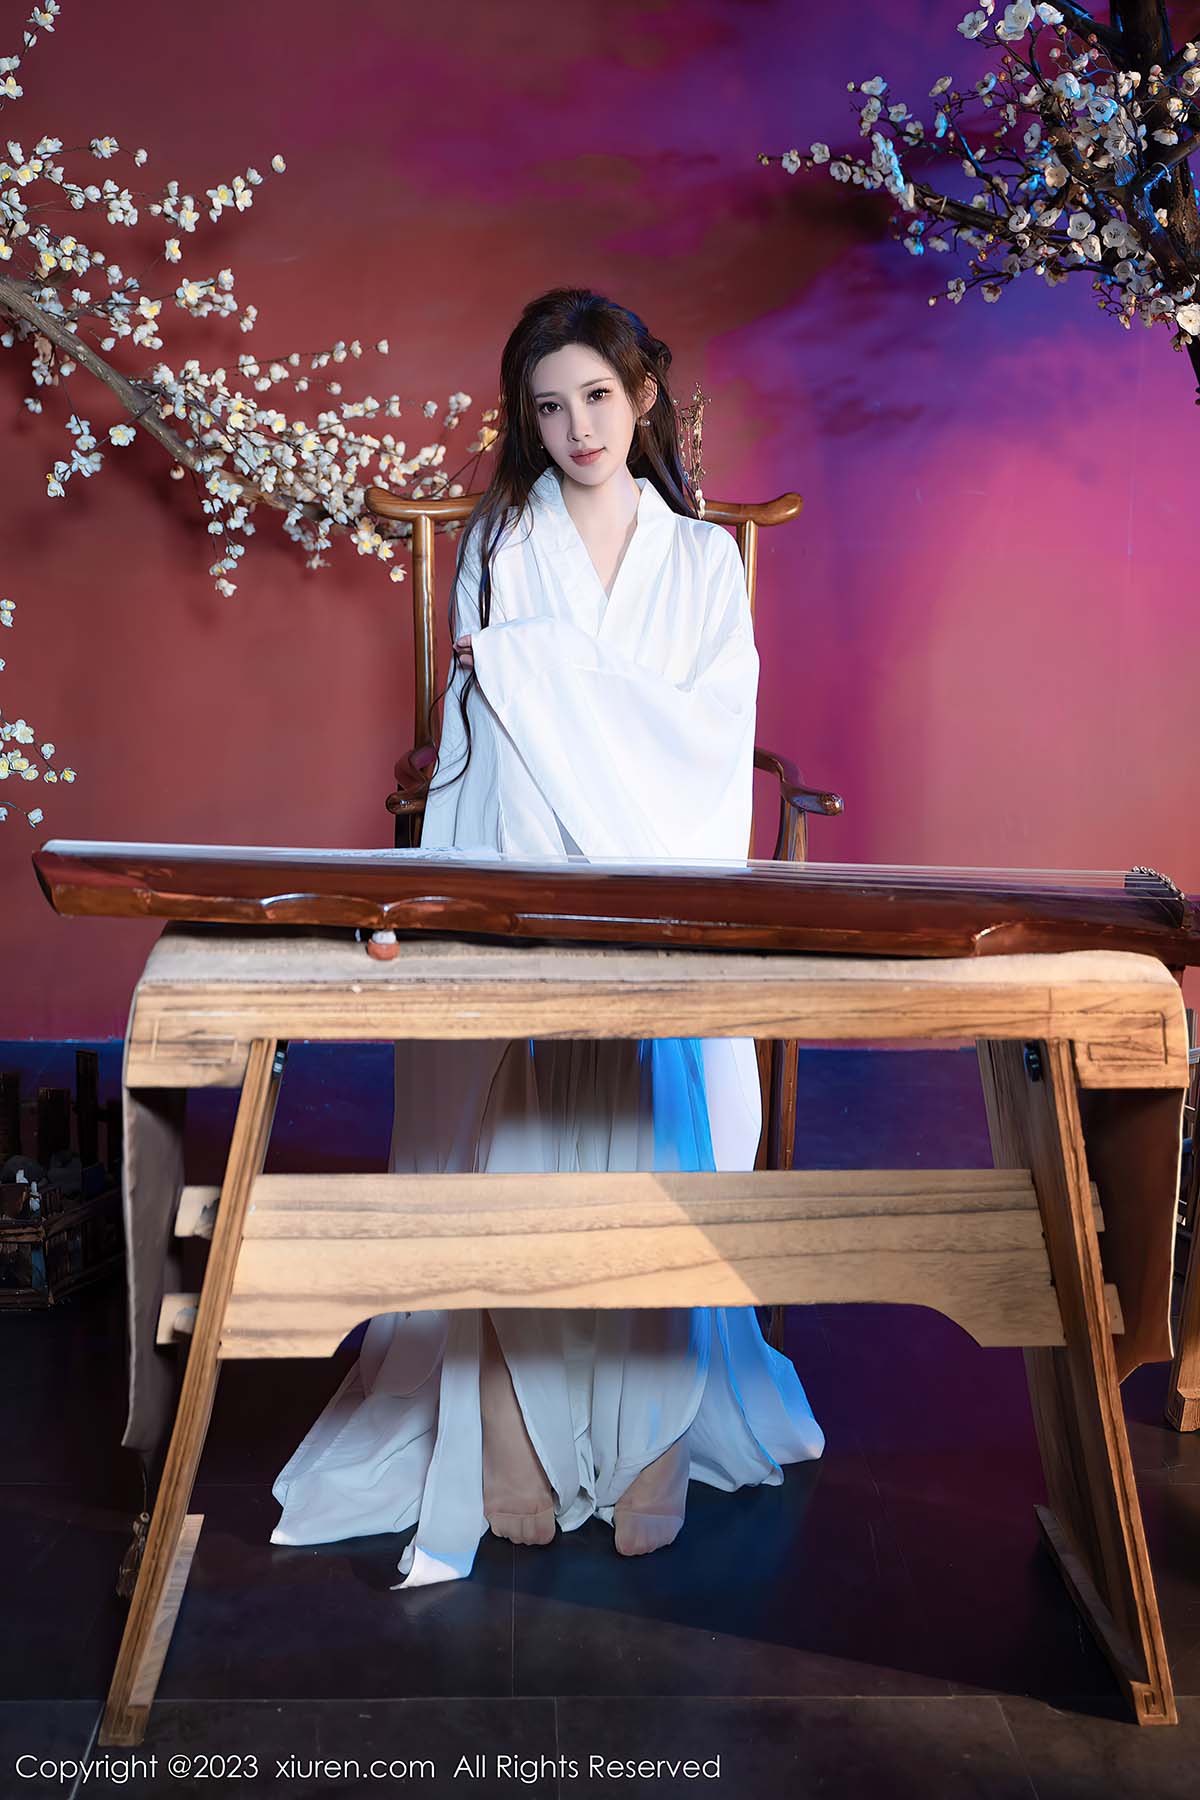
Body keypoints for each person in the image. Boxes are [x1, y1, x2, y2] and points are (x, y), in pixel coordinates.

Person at [270, 287, 824, 1586]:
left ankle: (655, 1426)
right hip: (526, 858)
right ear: (527, 420)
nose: (578, 427)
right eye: (549, 406)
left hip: (661, 877)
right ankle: (509, 1412)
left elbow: (704, 738)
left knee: (656, 1111)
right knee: (523, 1118)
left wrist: (545, 678)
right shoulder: (503, 542)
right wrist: (549, 715)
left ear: (643, 398)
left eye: (598, 396)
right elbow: (490, 730)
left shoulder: (701, 562)